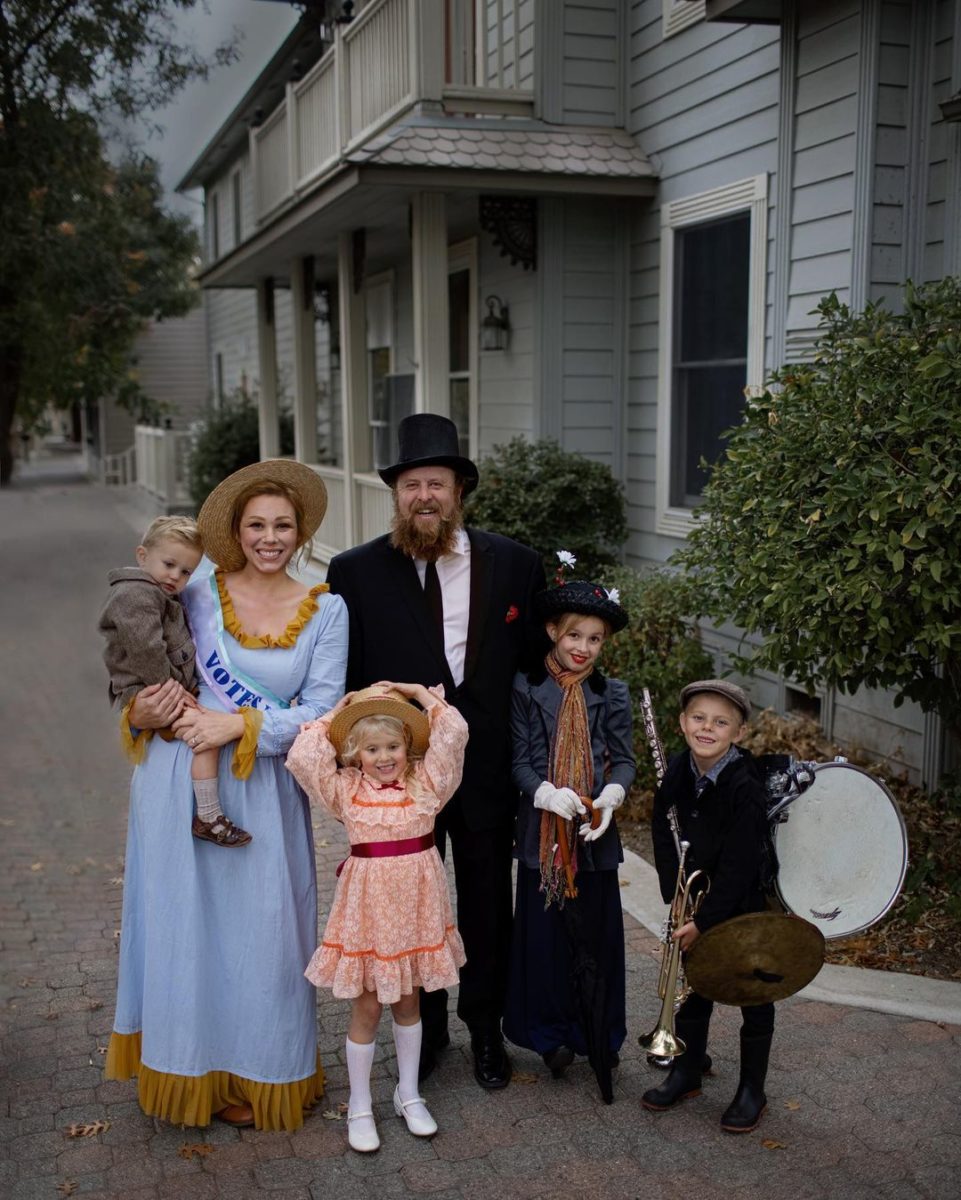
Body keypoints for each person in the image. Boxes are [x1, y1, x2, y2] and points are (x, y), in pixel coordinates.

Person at [104, 460, 348, 1131]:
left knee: (263, 937)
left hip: (261, 789)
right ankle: (189, 1067)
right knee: (185, 929)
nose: (268, 537)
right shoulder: (194, 589)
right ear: (235, 533)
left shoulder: (327, 608)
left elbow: (323, 713)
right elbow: (130, 667)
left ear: (300, 534)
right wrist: (141, 714)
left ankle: (258, 1070)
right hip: (174, 778)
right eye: (255, 525)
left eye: (282, 526)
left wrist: (237, 722)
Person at [326, 413, 546, 1089]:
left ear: (459, 492)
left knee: (484, 902)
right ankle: (425, 1030)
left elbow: (536, 667)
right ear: (396, 493)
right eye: (413, 483)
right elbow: (342, 679)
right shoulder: (354, 572)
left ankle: (485, 1030)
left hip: (480, 773)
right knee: (408, 907)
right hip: (393, 781)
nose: (425, 495)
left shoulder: (514, 564)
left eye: (438, 483)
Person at [286, 682, 468, 1152]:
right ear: (356, 754)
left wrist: (417, 695)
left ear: (408, 748)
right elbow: (305, 754)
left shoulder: (426, 783)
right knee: (367, 1004)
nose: (384, 757)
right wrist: (341, 709)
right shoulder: (346, 790)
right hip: (368, 911)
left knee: (409, 1001)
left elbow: (455, 730)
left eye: (393, 746)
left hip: (415, 909)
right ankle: (360, 1105)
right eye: (372, 749)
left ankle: (408, 1094)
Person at [505, 575, 635, 1080]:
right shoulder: (526, 688)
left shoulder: (613, 694)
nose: (583, 648)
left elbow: (623, 761)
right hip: (544, 838)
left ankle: (599, 1030)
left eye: (595, 639)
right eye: (574, 635)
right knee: (545, 939)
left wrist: (613, 795)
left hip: (594, 835)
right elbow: (517, 760)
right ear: (554, 631)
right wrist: (543, 793)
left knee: (599, 938)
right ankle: (549, 1034)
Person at [641, 679, 773, 1134]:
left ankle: (753, 1089)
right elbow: (662, 828)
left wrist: (705, 920)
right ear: (681, 724)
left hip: (743, 905)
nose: (707, 728)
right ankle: (687, 1070)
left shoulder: (745, 785)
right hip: (693, 898)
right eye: (698, 718)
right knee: (692, 985)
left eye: (720, 722)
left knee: (754, 993)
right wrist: (673, 892)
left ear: (737, 733)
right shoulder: (678, 768)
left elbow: (739, 864)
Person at [98, 515, 252, 848]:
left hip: (162, 684)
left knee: (206, 734)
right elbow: (146, 649)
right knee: (205, 735)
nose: (175, 576)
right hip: (152, 688)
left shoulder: (159, 593)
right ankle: (209, 816)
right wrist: (175, 694)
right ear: (142, 556)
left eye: (185, 572)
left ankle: (208, 815)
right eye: (169, 564)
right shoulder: (136, 595)